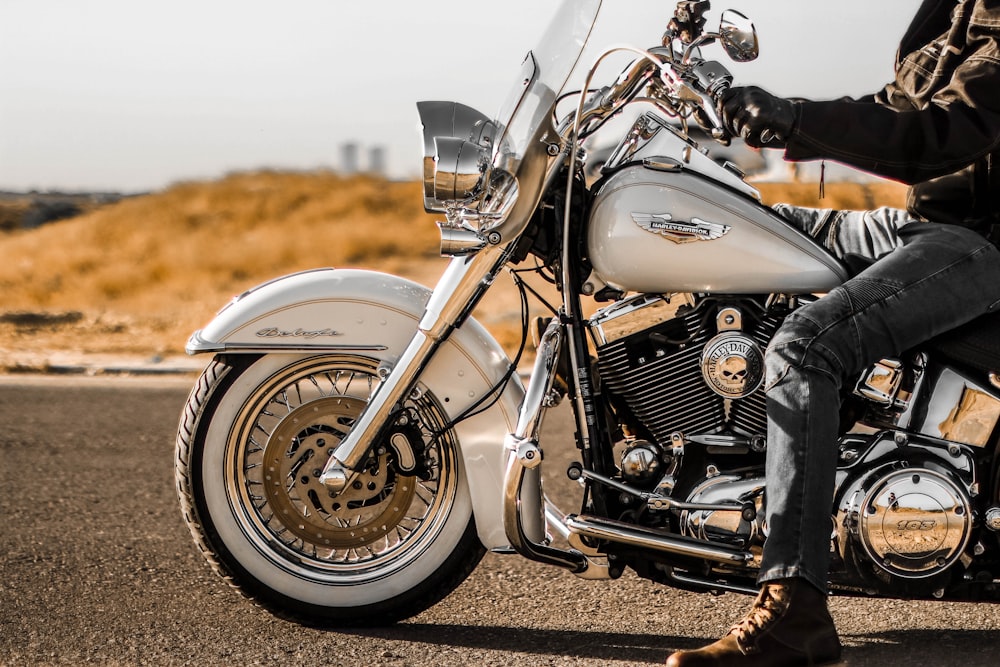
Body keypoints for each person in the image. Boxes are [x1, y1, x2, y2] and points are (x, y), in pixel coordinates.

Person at [666, 1, 1000, 665]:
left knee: (807, 344)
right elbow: (901, 104)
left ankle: (794, 608)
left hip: (981, 244)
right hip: (925, 225)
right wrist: (760, 118)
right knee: (743, 224)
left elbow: (948, 133)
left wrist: (795, 119)